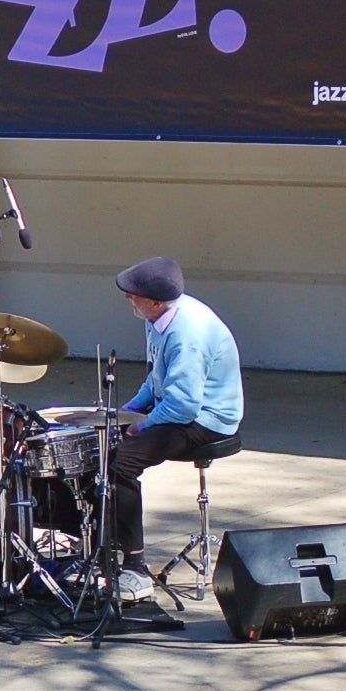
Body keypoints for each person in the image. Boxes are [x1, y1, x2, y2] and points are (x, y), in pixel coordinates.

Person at [109, 256, 242, 602]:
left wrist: (142, 426)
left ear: (155, 301)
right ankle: (102, 544)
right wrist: (128, 412)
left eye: (133, 294)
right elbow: (156, 381)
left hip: (207, 419)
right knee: (104, 442)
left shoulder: (188, 334)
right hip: (182, 407)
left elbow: (183, 406)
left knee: (122, 462)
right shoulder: (157, 318)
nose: (128, 299)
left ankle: (136, 567)